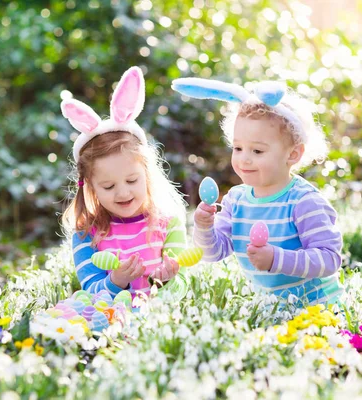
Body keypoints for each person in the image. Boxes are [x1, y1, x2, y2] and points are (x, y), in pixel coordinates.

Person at [172, 78, 343, 306]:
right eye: (238, 148)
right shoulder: (237, 200)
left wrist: (276, 259)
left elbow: (329, 259)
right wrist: (204, 227)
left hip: (317, 308)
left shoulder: (304, 201)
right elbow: (214, 253)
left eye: (257, 150)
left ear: (292, 154)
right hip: (270, 310)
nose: (244, 158)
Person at [61, 66, 187, 298]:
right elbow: (91, 289)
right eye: (108, 186)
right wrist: (116, 281)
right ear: (90, 186)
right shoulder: (86, 234)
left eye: (131, 180)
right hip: (110, 321)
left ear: (147, 174)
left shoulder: (167, 224)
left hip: (159, 320)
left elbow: (184, 287)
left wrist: (168, 279)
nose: (122, 193)